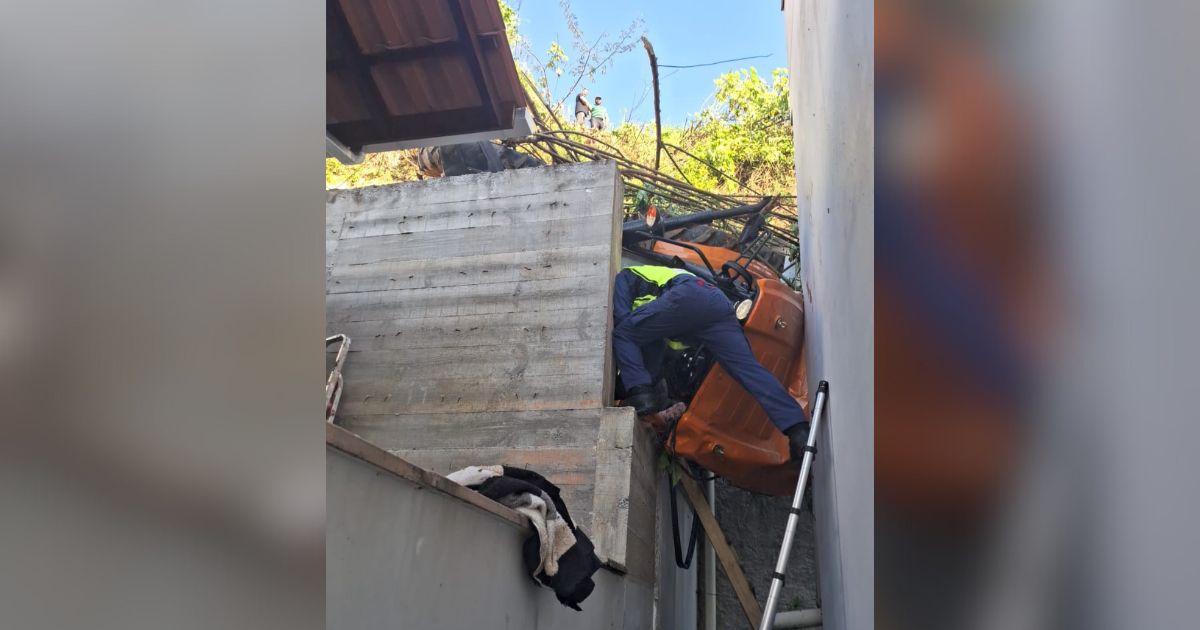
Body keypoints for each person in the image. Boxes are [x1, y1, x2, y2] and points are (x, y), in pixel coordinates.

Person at [611, 265, 811, 459]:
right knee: (749, 370)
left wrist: (638, 391)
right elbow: (652, 353)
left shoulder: (625, 278)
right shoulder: (651, 321)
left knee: (623, 334)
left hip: (688, 295)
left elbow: (624, 325)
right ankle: (797, 428)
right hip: (716, 305)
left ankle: (639, 392)